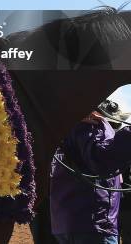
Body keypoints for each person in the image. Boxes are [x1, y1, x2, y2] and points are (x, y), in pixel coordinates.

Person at [50, 99, 131, 244]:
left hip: (67, 223)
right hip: (92, 224)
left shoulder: (70, 127)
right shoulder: (93, 125)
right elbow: (102, 160)